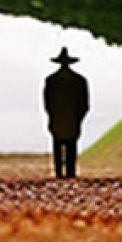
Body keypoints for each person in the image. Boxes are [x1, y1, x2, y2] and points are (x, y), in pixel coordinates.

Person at [43, 47, 89, 179]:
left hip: (57, 117)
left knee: (57, 144)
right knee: (72, 145)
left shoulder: (51, 81)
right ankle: (70, 171)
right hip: (73, 118)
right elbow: (84, 103)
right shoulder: (79, 81)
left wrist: (52, 115)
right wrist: (79, 117)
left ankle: (58, 172)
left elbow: (47, 103)